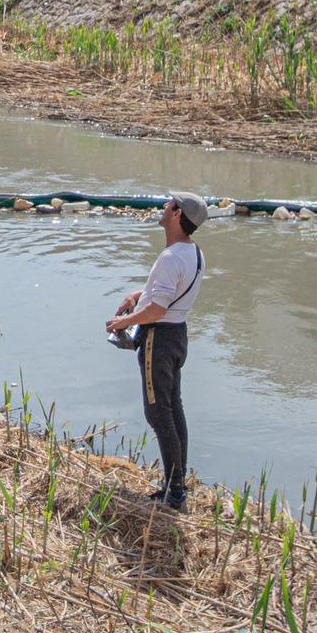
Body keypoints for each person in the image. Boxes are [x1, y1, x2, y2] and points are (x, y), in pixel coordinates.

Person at [105, 192, 208, 509]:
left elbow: (157, 310)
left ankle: (174, 492)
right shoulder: (193, 253)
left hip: (158, 340)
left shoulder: (170, 257)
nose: (163, 207)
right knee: (173, 408)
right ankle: (177, 482)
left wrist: (122, 323)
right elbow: (168, 293)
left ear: (177, 215)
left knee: (157, 412)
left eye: (169, 204)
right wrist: (141, 293)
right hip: (178, 335)